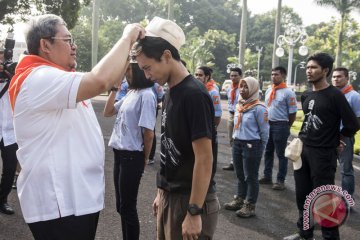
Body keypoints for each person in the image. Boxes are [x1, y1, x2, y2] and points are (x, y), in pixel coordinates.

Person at [9, 14, 145, 239]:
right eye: (68, 40)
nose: (74, 46)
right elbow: (100, 80)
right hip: (60, 203)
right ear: (45, 45)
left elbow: (108, 80)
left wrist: (130, 45)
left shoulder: (58, 77)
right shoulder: (39, 77)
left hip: (76, 200)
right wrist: (126, 36)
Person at [131, 16, 219, 239]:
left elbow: (204, 158)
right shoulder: (171, 89)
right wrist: (162, 191)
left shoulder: (194, 94)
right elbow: (170, 146)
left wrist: (194, 211)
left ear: (167, 55)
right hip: (171, 195)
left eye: (148, 68)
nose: (147, 75)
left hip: (190, 200)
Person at [284, 53, 359, 240]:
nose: (309, 71)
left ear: (325, 71)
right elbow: (307, 122)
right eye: (308, 67)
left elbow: (352, 123)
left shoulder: (335, 96)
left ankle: (330, 237)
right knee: (302, 195)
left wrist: (340, 138)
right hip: (303, 151)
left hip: (324, 154)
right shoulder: (307, 95)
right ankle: (305, 233)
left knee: (324, 200)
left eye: (314, 67)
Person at [104, 62, 157, 240]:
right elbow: (108, 111)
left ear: (139, 72)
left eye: (128, 71)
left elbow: (149, 133)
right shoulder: (131, 92)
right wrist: (114, 88)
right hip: (119, 154)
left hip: (132, 156)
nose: (126, 74)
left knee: (128, 206)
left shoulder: (147, 96)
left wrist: (144, 158)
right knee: (121, 206)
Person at [223, 77, 269, 218]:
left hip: (252, 145)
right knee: (240, 174)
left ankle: (250, 205)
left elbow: (265, 131)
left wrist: (261, 148)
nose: (242, 89)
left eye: (246, 87)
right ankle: (240, 199)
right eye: (241, 86)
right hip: (238, 143)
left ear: (254, 88)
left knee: (251, 176)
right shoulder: (239, 106)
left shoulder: (259, 108)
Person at [260, 66, 297, 190]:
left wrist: (287, 125)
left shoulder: (288, 92)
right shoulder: (269, 90)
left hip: (281, 125)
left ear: (283, 76)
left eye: (276, 74)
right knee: (268, 151)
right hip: (268, 124)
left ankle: (280, 180)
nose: (273, 76)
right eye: (272, 74)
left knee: (281, 154)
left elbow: (292, 112)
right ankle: (267, 176)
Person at [332, 67, 360, 198]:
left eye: (339, 76)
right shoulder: (331, 94)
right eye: (334, 77)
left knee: (346, 170)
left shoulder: (354, 96)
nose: (336, 79)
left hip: (345, 137)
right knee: (327, 167)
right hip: (328, 136)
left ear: (347, 78)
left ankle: (347, 199)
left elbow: (358, 120)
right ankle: (327, 197)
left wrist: (344, 136)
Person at [0, 50, 18, 215]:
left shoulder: (12, 77)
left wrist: (12, 76)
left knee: (11, 168)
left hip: (10, 132)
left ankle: (3, 199)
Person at [195, 66, 222, 174]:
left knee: (209, 157)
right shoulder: (195, 88)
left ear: (207, 77)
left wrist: (212, 130)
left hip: (208, 128)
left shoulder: (213, 92)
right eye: (196, 74)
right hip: (197, 127)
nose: (197, 77)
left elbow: (217, 114)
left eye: (200, 75)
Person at [223, 67, 242, 171]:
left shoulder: (243, 87)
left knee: (240, 139)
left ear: (240, 76)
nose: (233, 77)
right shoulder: (229, 88)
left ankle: (240, 162)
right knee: (231, 139)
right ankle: (232, 161)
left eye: (235, 75)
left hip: (240, 115)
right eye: (232, 76)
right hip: (231, 115)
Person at [148, 82, 164, 164]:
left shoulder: (155, 83)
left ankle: (150, 157)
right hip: (145, 107)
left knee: (150, 130)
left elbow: (161, 96)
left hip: (152, 108)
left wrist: (156, 104)